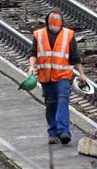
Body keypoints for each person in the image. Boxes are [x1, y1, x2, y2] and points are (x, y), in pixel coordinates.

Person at [28, 10, 87, 145]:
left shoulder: (68, 35)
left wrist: (81, 74)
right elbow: (33, 52)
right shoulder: (39, 35)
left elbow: (74, 57)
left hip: (63, 76)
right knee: (51, 104)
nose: (55, 28)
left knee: (63, 100)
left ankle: (64, 132)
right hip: (46, 76)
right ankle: (53, 132)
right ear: (48, 23)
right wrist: (31, 66)